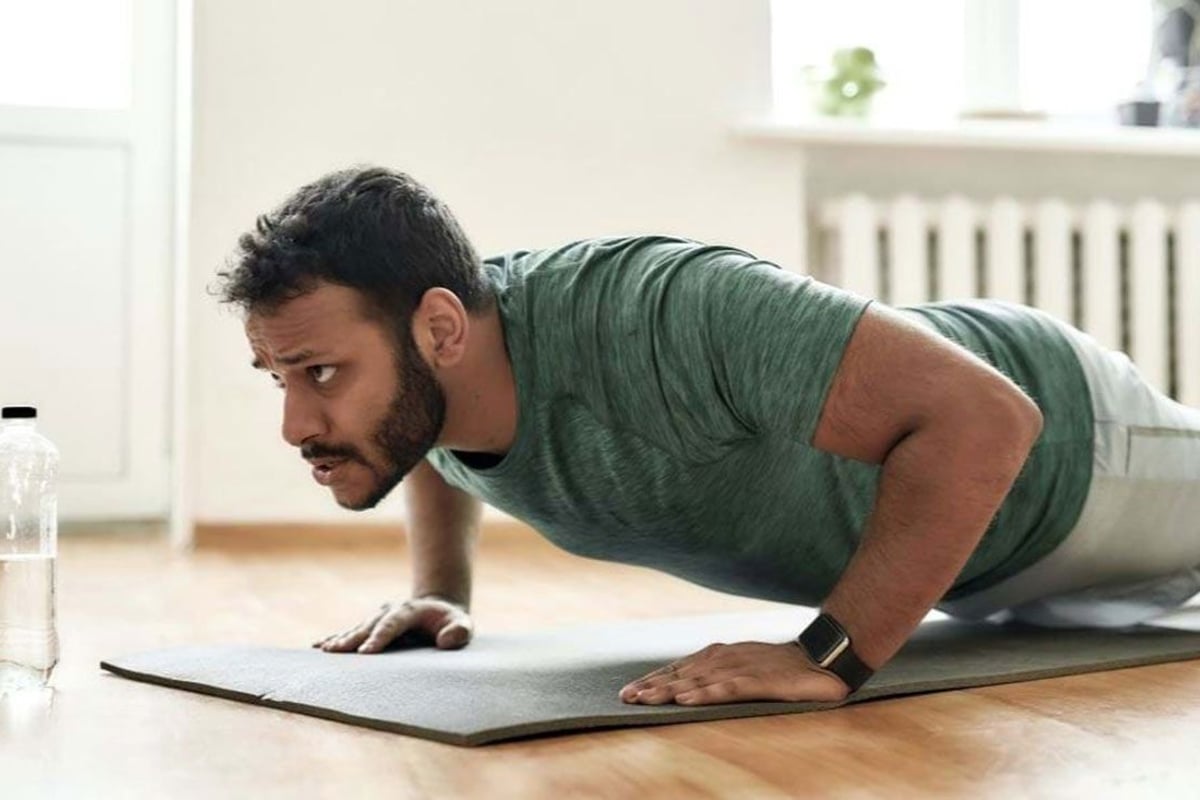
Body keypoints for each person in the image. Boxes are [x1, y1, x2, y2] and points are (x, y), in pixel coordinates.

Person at [216, 166, 1200, 708]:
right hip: (969, 564)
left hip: (1071, 450)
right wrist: (442, 589)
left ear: (439, 329)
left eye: (321, 373)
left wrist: (827, 653)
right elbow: (424, 429)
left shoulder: (661, 312)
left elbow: (987, 418)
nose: (296, 424)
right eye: (280, 377)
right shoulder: (440, 356)